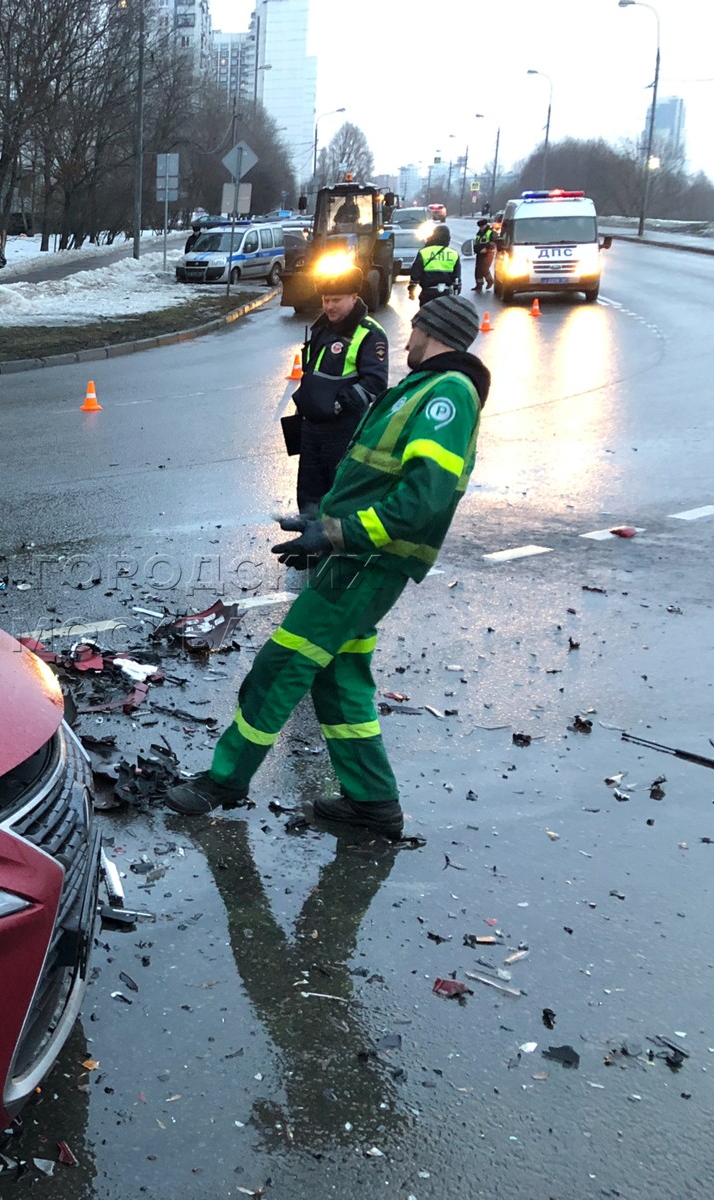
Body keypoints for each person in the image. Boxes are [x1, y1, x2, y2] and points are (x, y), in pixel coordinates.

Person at [164, 294, 490, 837]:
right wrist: (324, 537)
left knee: (280, 666)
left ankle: (224, 780)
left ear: (431, 329)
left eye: (415, 328)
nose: (407, 337)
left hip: (367, 562)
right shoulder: (430, 386)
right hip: (356, 558)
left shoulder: (447, 394)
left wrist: (339, 533)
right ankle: (372, 803)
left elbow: (424, 499)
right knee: (339, 681)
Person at [290, 267, 388, 518]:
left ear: (353, 298)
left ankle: (334, 548)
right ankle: (309, 546)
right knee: (309, 492)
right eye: (326, 300)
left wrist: (338, 405)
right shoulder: (322, 327)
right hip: (311, 427)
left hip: (343, 430)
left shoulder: (369, 332)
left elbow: (375, 382)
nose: (329, 306)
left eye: (336, 300)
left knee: (338, 493)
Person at [409, 224, 460, 304]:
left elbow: (416, 274)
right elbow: (457, 277)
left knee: (426, 315)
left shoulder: (424, 252)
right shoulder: (453, 254)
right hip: (446, 293)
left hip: (428, 293)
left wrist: (411, 290)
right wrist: (457, 292)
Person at [471, 219, 496, 292]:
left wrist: (486, 248)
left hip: (488, 253)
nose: (481, 228)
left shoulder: (491, 232)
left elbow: (493, 242)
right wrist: (476, 250)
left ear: (485, 225)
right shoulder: (479, 233)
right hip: (479, 253)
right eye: (480, 227)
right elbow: (477, 243)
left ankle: (490, 281)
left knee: (484, 268)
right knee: (478, 269)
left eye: (482, 226)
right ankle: (479, 285)